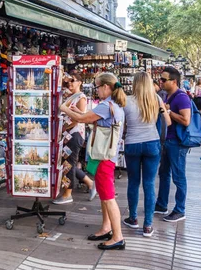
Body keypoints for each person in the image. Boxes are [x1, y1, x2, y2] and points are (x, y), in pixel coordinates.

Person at [60, 72, 126, 250]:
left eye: (97, 87)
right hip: (106, 156)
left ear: (106, 87)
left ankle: (118, 236)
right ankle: (106, 227)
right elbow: (88, 117)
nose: (96, 90)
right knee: (105, 196)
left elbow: (82, 119)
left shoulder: (106, 105)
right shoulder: (114, 105)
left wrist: (62, 107)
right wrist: (77, 112)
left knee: (109, 197)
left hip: (104, 157)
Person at [122, 72, 171, 238]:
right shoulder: (156, 99)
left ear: (134, 84)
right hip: (152, 143)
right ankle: (148, 225)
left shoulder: (127, 101)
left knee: (133, 182)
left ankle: (133, 218)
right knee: (149, 184)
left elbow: (122, 125)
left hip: (132, 144)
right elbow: (168, 122)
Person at [53, 71, 95, 205]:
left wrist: (63, 128)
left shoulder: (81, 97)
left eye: (73, 81)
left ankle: (68, 193)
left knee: (68, 164)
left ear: (80, 82)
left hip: (73, 135)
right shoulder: (68, 96)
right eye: (68, 81)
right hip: (66, 135)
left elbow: (78, 119)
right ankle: (89, 183)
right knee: (66, 163)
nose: (70, 83)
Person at [156, 66, 191, 223]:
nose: (161, 82)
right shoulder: (168, 96)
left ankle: (180, 209)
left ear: (174, 81)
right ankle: (162, 204)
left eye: (164, 79)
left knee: (178, 176)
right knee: (164, 174)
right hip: (167, 140)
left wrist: (168, 112)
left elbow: (186, 120)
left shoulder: (181, 97)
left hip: (177, 142)